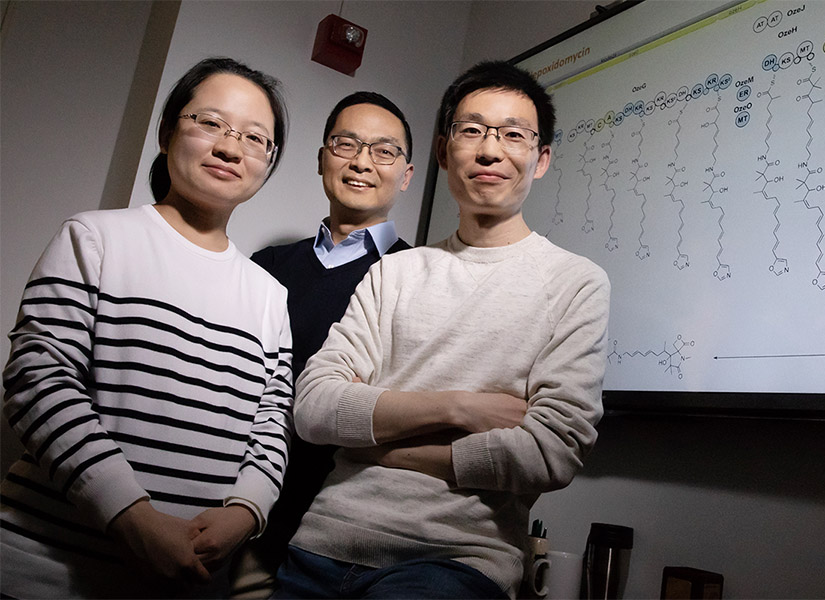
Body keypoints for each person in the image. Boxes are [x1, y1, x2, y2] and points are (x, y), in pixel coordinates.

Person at [275, 60, 611, 599]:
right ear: (442, 151)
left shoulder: (575, 283)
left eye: (513, 135)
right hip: (321, 541)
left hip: (457, 562)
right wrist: (459, 409)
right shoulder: (394, 271)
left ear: (541, 158)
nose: (489, 150)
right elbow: (314, 407)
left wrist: (373, 445)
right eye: (471, 130)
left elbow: (551, 450)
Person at [0, 57, 293, 599]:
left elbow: (272, 423)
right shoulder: (95, 237)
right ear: (167, 132)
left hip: (189, 582)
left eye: (256, 138)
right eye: (210, 123)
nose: (231, 147)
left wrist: (246, 511)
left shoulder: (270, 296)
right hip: (44, 570)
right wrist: (132, 516)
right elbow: (38, 382)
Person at [229, 91, 414, 598]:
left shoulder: (418, 276)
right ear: (321, 158)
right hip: (229, 513)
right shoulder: (264, 267)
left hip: (336, 541)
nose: (361, 162)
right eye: (346, 143)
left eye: (383, 150)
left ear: (406, 173)